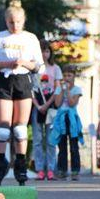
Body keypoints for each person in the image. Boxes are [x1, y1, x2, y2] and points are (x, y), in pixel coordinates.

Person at [0, 0, 44, 185]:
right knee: (2, 128)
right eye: (11, 22)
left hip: (23, 80)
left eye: (18, 22)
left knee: (19, 128)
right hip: (5, 79)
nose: (15, 25)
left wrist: (23, 63)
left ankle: (20, 164)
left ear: (23, 20)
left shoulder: (30, 38)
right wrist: (6, 64)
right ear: (6, 21)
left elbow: (38, 66)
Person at [32, 39, 61, 180]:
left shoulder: (55, 69)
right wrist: (38, 106)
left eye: (47, 51)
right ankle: (39, 169)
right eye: (42, 51)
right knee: (37, 139)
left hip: (51, 108)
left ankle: (50, 169)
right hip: (37, 107)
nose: (44, 54)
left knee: (50, 140)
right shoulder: (33, 69)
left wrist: (47, 104)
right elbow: (29, 90)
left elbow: (57, 89)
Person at [49, 65, 83, 180]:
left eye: (69, 75)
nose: (67, 78)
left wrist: (68, 91)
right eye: (65, 75)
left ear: (74, 77)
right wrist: (62, 90)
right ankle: (62, 170)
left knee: (74, 146)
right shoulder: (59, 89)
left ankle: (75, 171)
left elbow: (72, 103)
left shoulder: (77, 89)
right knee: (62, 146)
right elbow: (58, 104)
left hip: (72, 118)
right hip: (61, 119)